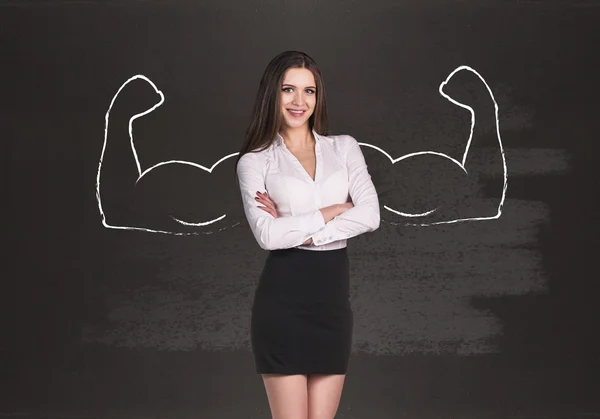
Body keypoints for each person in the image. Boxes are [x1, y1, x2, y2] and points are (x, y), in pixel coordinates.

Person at [235, 50, 380, 419]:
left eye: (309, 91)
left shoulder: (344, 148)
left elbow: (370, 215)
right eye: (288, 90)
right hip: (282, 303)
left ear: (318, 97)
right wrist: (332, 211)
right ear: (273, 93)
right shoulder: (255, 161)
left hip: (332, 304)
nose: (300, 101)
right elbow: (268, 235)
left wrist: (301, 230)